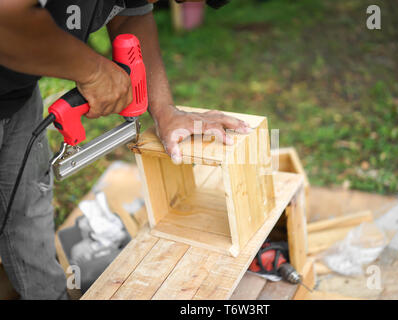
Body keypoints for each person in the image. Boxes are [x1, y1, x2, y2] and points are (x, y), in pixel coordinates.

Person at [0, 0, 248, 299]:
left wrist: (164, 108)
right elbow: (6, 19)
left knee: (27, 208)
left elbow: (133, 14)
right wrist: (92, 72)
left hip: (16, 97)